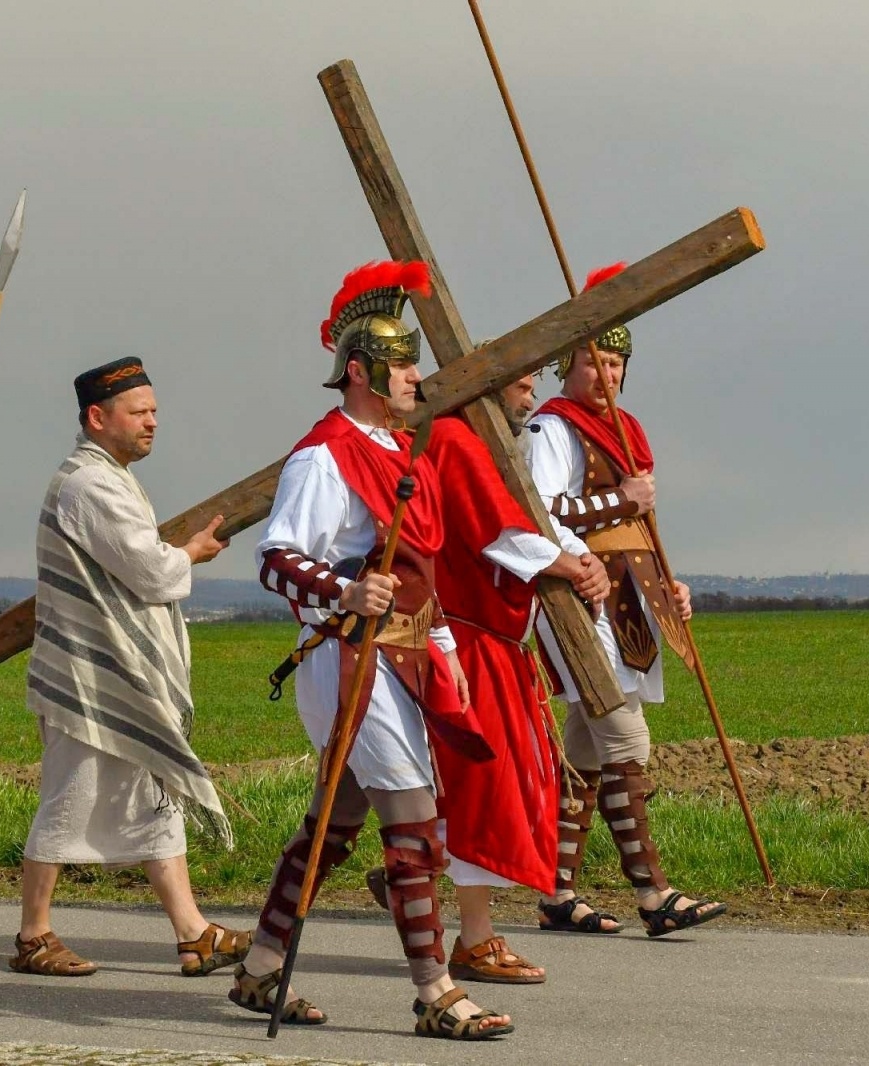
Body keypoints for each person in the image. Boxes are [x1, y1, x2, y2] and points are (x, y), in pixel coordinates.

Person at [234, 260, 512, 1040]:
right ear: (360, 371)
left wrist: (446, 647)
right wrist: (344, 591)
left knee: (334, 824)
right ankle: (436, 991)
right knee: (414, 822)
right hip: (349, 659)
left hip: (406, 659)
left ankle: (258, 969)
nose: (416, 377)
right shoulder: (323, 454)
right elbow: (276, 557)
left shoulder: (396, 454)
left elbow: (419, 570)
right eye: (402, 364)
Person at [365, 374, 610, 983]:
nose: (529, 400)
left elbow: (529, 525)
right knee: (480, 790)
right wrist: (572, 568)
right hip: (466, 642)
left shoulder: (479, 447)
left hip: (483, 643)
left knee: (467, 790)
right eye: (522, 387)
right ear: (489, 387)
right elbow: (500, 534)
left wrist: (581, 562)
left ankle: (412, 877)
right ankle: (471, 937)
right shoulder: (456, 440)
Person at [10, 357, 246, 980]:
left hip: (119, 674)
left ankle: (193, 933)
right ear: (97, 416)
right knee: (70, 797)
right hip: (88, 680)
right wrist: (191, 550)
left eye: (155, 412)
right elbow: (148, 569)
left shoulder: (109, 477)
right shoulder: (88, 484)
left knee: (151, 797)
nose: (152, 423)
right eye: (139, 413)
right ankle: (33, 935)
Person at [528, 263, 728, 938]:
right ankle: (653, 893)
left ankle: (557, 890)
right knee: (624, 735)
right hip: (575, 597)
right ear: (568, 364)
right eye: (592, 360)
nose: (604, 374)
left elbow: (640, 527)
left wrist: (668, 587)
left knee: (588, 746)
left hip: (629, 601)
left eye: (614, 362)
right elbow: (541, 513)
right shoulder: (550, 429)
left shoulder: (627, 432)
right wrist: (623, 499)